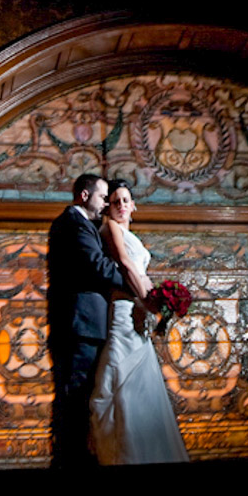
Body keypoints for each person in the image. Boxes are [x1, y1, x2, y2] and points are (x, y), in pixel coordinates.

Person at [46, 173, 152, 468]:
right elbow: (97, 265)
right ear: (84, 195)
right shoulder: (72, 223)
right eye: (104, 197)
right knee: (75, 401)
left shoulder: (86, 225)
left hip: (90, 326)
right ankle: (71, 462)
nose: (107, 203)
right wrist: (141, 287)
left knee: (85, 399)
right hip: (78, 328)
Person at [88, 179, 190, 464]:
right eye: (115, 201)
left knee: (144, 383)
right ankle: (125, 452)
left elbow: (140, 271)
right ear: (108, 207)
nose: (121, 205)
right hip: (123, 308)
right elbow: (124, 264)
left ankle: (148, 452)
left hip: (139, 311)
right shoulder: (110, 228)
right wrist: (149, 300)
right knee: (119, 371)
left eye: (125, 200)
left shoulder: (133, 235)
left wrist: (161, 301)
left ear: (134, 206)